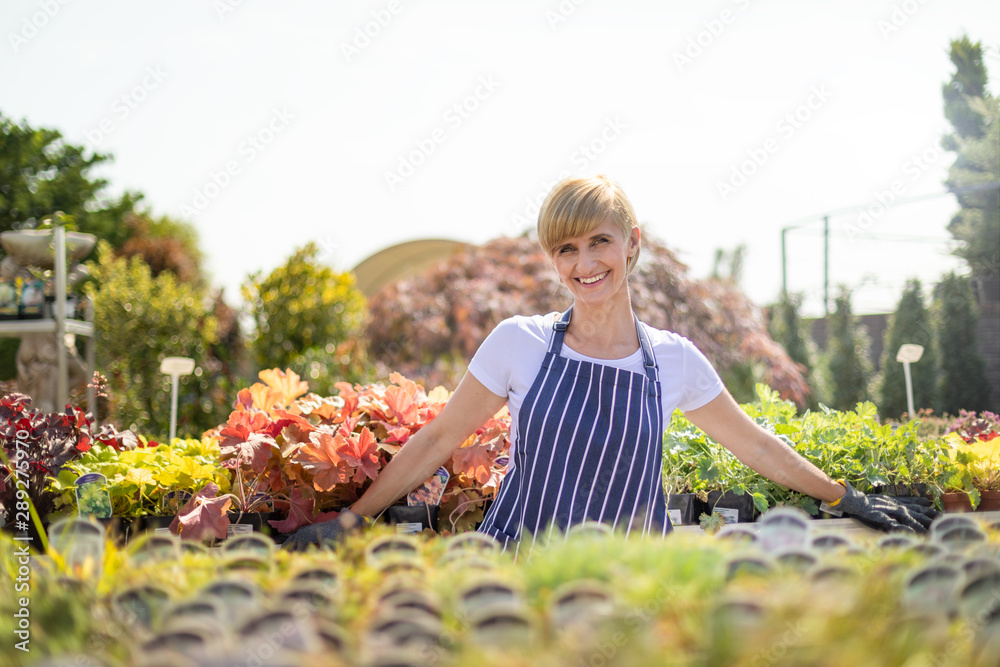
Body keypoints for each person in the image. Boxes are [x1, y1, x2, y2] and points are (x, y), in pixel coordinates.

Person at [283, 175, 936, 553]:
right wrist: (349, 518)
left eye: (600, 241)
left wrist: (845, 495)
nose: (585, 262)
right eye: (566, 248)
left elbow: (756, 447)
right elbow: (436, 439)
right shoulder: (521, 341)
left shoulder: (673, 360)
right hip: (521, 574)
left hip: (631, 578)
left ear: (632, 244)